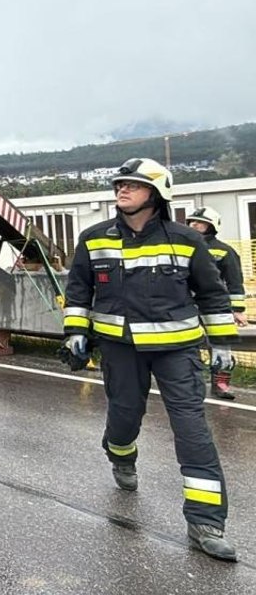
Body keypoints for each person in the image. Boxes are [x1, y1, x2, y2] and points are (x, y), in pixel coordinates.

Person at [60, 158, 239, 561]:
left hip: (178, 350)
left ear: (157, 194)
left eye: (133, 185)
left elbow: (212, 294)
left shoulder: (186, 240)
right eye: (120, 184)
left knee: (192, 429)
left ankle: (206, 522)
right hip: (120, 349)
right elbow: (78, 292)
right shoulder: (93, 239)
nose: (122, 190)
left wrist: (223, 344)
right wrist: (75, 333)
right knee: (124, 419)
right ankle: (120, 454)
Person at [186, 206, 249, 400]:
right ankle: (188, 385)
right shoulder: (181, 247)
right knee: (186, 346)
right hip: (186, 305)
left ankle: (221, 384)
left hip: (216, 307)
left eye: (200, 222)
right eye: (192, 222)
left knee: (222, 347)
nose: (195, 225)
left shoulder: (224, 251)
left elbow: (234, 281)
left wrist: (237, 309)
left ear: (212, 226)